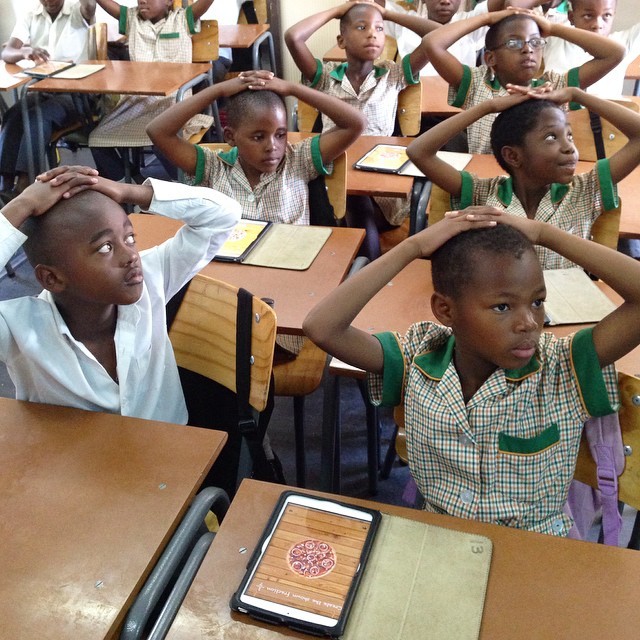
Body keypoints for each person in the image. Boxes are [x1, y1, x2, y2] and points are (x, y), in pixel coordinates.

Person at [302, 206, 640, 536]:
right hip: (438, 540)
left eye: (537, 302)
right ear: (445, 310)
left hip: (533, 551)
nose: (529, 323)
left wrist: (542, 233)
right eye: (503, 306)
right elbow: (322, 327)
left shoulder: (562, 368)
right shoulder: (417, 360)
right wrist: (413, 246)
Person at [0, 165, 240, 423]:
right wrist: (23, 204)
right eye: (105, 248)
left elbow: (224, 214)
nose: (131, 256)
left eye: (129, 238)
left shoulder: (152, 276)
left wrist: (127, 191)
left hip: (166, 452)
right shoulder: (18, 328)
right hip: (73, 460)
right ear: (52, 278)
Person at [405, 87, 640, 268]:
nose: (569, 147)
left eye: (569, 136)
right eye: (551, 138)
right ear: (513, 156)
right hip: (501, 310)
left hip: (568, 311)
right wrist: (487, 107)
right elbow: (418, 152)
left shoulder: (586, 189)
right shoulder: (482, 193)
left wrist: (576, 94)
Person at [284, 1, 437, 258]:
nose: (372, 34)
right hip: (334, 175)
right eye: (362, 27)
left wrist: (387, 14)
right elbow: (293, 37)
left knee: (357, 205)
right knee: (343, 201)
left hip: (380, 187)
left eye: (379, 29)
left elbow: (435, 37)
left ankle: (362, 268)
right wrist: (337, 11)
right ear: (341, 40)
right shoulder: (324, 77)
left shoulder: (393, 75)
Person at [146, 70, 366, 226]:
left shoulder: (298, 159)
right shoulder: (214, 166)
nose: (272, 146)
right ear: (231, 137)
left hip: (292, 272)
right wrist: (219, 90)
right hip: (231, 273)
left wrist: (292, 88)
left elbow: (355, 124)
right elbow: (158, 131)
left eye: (280, 135)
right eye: (258, 137)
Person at [423, 7, 625, 153]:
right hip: (486, 182)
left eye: (535, 42)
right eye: (513, 43)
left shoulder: (555, 87)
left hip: (538, 185)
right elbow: (432, 43)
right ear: (490, 58)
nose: (528, 49)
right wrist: (487, 18)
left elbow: (615, 53)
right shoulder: (476, 84)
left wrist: (554, 28)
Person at [88, 0, 214, 181]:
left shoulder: (183, 19)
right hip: (138, 102)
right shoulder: (132, 18)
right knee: (96, 139)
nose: (142, 1)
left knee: (161, 138)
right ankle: (130, 183)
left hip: (174, 100)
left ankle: (188, 183)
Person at [0, 0, 96, 196]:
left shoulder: (78, 11)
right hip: (43, 90)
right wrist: (24, 51)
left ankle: (26, 183)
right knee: (13, 115)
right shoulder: (31, 14)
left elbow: (90, 7)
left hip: (77, 94)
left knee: (37, 117)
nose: (49, 2)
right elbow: (7, 52)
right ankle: (6, 183)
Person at [372, 0, 547, 76]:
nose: (445, 0)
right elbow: (368, 4)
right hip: (412, 110)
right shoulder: (404, 19)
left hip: (458, 109)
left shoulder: (470, 21)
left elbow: (509, 3)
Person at [543, 0, 640, 97]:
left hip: (604, 112)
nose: (598, 24)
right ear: (571, 17)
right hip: (555, 110)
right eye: (588, 16)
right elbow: (532, 8)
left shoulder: (623, 43)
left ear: (613, 15)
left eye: (606, 15)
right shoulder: (555, 35)